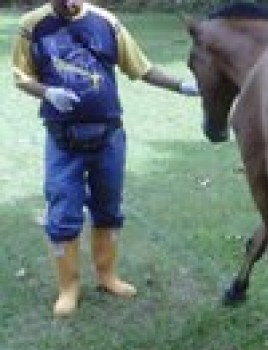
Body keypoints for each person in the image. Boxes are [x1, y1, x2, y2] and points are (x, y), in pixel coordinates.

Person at [12, 0, 199, 317]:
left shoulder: (106, 22)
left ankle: (107, 276)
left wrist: (181, 86)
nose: (71, 3)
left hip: (108, 138)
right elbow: (21, 75)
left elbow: (141, 68)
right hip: (63, 140)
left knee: (108, 208)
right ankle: (68, 288)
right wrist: (48, 93)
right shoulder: (33, 25)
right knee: (62, 211)